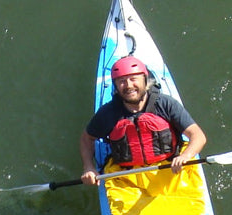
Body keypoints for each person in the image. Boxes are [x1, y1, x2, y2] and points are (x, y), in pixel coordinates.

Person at [79, 55, 207, 185]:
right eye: (121, 81)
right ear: (115, 86)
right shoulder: (108, 113)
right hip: (126, 175)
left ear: (145, 80)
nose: (128, 85)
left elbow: (197, 135)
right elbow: (87, 138)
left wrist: (185, 156)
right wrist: (89, 167)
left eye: (133, 79)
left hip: (170, 167)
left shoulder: (166, 104)